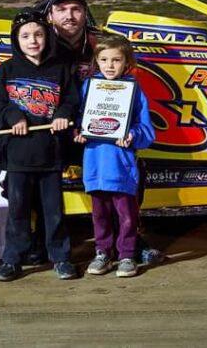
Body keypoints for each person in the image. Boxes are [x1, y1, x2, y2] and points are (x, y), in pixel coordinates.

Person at [43, 0, 165, 267]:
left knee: (130, 175)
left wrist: (130, 133)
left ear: (86, 13)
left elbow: (135, 105)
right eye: (62, 9)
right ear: (50, 14)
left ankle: (132, 244)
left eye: (76, 9)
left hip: (103, 135)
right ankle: (49, 243)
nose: (69, 15)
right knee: (39, 165)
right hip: (61, 132)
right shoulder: (40, 45)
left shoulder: (102, 44)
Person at [0, 11, 80, 282]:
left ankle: (60, 258)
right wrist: (14, 117)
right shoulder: (7, 70)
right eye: (25, 36)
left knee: (54, 212)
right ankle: (13, 259)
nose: (33, 41)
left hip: (51, 155)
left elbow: (72, 102)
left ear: (47, 37)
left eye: (38, 34)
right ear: (16, 39)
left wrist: (62, 114)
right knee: (18, 211)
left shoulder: (60, 70)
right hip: (17, 156)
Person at [74, 35, 155, 277]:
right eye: (104, 60)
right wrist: (79, 131)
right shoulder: (89, 87)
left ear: (127, 62)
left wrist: (132, 135)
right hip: (95, 164)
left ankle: (127, 255)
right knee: (99, 215)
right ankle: (103, 253)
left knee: (127, 216)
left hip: (122, 166)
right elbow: (80, 118)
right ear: (96, 62)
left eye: (116, 60)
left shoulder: (134, 89)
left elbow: (147, 130)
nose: (110, 65)